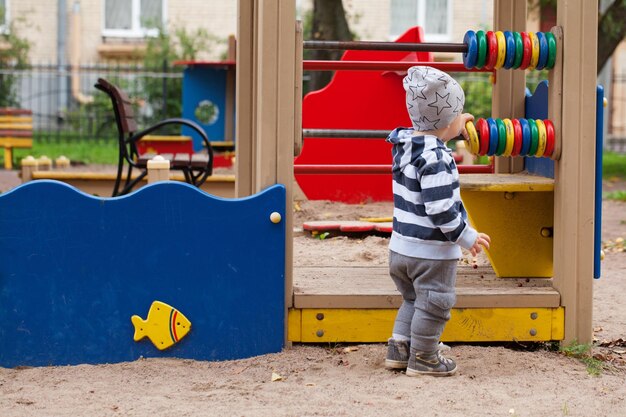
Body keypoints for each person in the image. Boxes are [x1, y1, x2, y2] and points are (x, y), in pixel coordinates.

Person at [384, 66, 491, 377]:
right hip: (430, 254)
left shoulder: (405, 146)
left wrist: (458, 119)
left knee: (412, 298)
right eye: (459, 114)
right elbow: (441, 209)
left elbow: (443, 122)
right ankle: (425, 357)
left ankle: (400, 348)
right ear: (448, 121)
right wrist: (466, 236)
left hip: (401, 248)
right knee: (434, 304)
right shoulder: (438, 158)